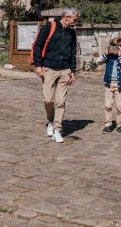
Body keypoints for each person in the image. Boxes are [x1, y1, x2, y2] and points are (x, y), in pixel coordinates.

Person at [33, 8, 79, 143]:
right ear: (66, 17)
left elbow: (72, 52)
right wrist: (38, 65)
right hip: (49, 68)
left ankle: (57, 129)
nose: (76, 22)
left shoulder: (72, 32)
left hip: (65, 70)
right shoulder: (50, 27)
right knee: (48, 100)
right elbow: (37, 45)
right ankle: (50, 121)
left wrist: (73, 70)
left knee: (60, 101)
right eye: (74, 19)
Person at [96, 38, 121, 133]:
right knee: (108, 105)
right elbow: (98, 62)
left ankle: (120, 124)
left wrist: (119, 56)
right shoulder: (108, 56)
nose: (115, 50)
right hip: (109, 84)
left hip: (120, 85)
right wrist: (105, 54)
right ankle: (108, 124)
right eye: (113, 47)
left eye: (118, 48)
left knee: (120, 106)